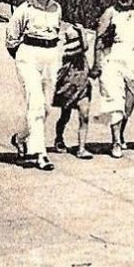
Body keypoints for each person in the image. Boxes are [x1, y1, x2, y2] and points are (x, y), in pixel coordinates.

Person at [5, 0, 65, 171]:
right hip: (29, 55)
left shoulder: (57, 8)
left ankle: (20, 138)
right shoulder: (24, 9)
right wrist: (25, 59)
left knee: (46, 107)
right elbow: (11, 38)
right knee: (36, 104)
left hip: (51, 57)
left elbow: (57, 34)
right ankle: (40, 154)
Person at [89, 0, 134, 158]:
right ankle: (115, 142)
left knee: (130, 101)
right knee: (115, 101)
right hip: (112, 59)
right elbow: (99, 40)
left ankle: (120, 133)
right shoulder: (110, 13)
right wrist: (97, 64)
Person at [50, 15, 95, 160]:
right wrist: (82, 32)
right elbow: (84, 47)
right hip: (69, 87)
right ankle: (59, 138)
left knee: (85, 115)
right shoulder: (69, 52)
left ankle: (81, 148)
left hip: (82, 86)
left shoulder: (80, 52)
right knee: (65, 116)